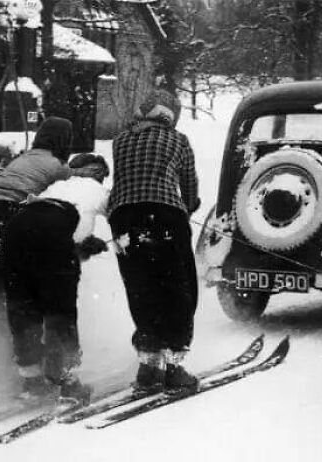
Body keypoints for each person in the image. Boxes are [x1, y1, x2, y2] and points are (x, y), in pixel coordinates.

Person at [0, 116, 76, 389]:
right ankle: (29, 369)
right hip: (9, 218)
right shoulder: (59, 167)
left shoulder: (20, 159)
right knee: (20, 293)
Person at [107, 89, 201, 392]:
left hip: (123, 220)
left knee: (141, 287)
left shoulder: (121, 140)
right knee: (178, 287)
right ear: (171, 116)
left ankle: (148, 368)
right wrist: (190, 204)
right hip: (164, 218)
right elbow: (188, 185)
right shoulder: (178, 140)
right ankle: (174, 366)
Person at [1, 153, 109, 400]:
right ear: (98, 174)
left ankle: (31, 380)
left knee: (24, 307)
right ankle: (68, 381)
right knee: (60, 310)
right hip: (54, 232)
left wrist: (80, 246)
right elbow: (118, 215)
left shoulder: (56, 185)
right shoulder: (98, 190)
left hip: (16, 229)